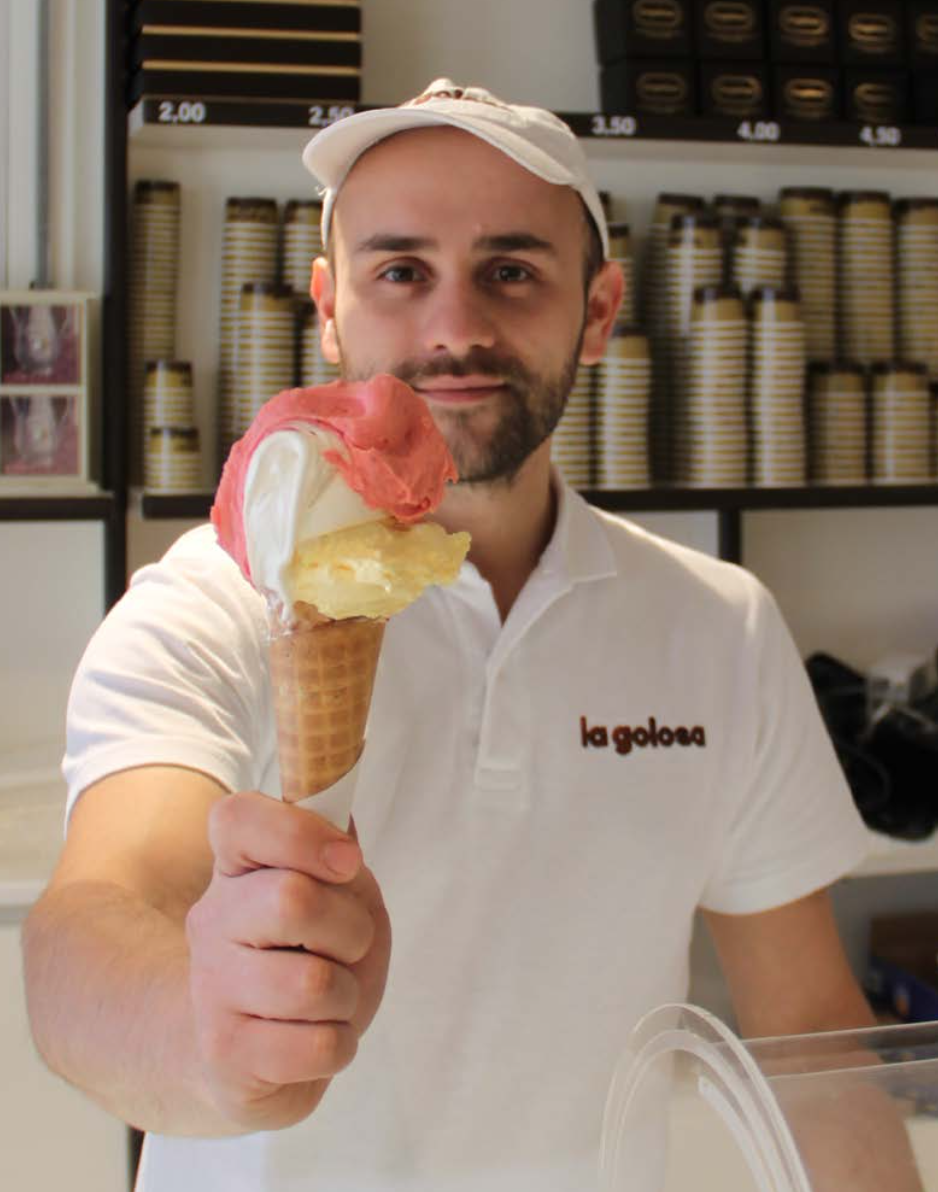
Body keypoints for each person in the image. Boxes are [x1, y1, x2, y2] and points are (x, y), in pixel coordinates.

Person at [23, 80, 884, 1191]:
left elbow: (809, 1034)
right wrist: (203, 1030)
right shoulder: (216, 603)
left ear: (599, 311)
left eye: (511, 270)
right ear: (329, 308)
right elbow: (91, 927)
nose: (455, 328)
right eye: (400, 272)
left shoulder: (719, 627)